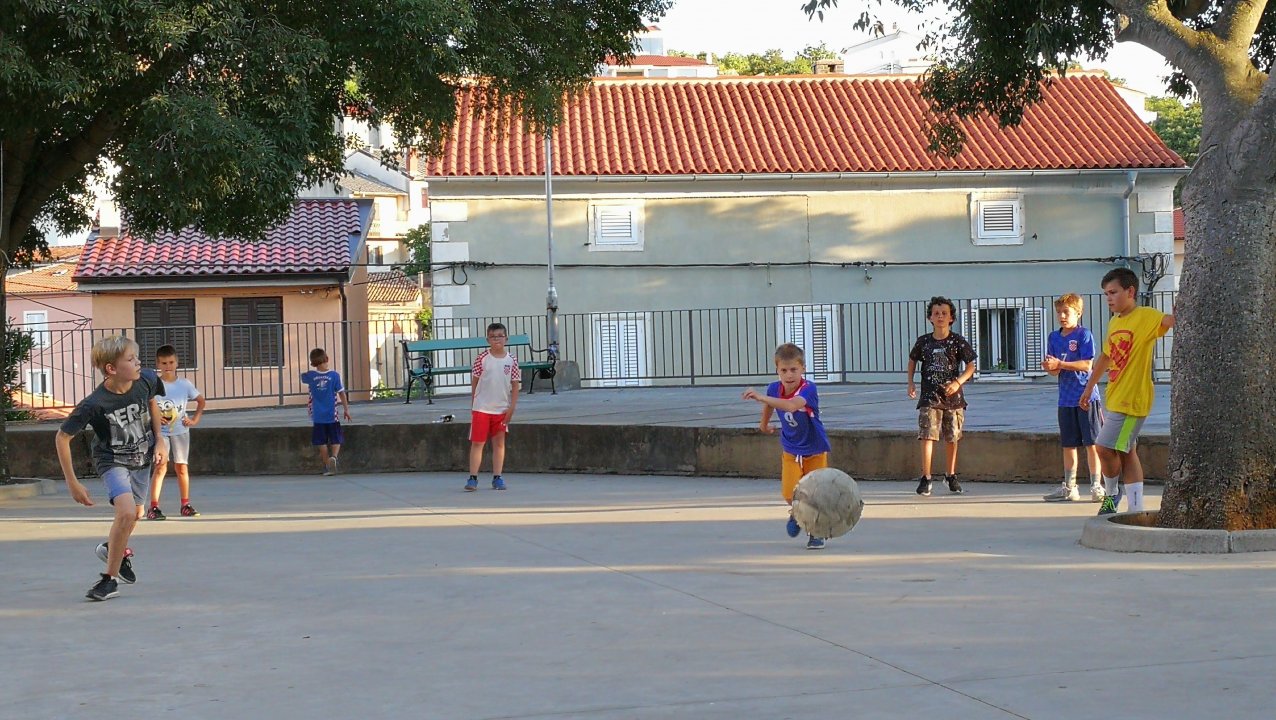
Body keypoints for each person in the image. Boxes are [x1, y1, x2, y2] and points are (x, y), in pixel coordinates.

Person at [54, 335, 167, 601]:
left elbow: (152, 402)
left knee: (134, 515)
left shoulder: (146, 380)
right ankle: (109, 580)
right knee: (126, 512)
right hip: (112, 460)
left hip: (142, 459)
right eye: (130, 359)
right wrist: (72, 482)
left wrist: (160, 439)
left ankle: (113, 548)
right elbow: (62, 437)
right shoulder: (94, 404)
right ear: (111, 368)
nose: (138, 362)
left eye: (137, 357)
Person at [1080, 268, 1174, 514]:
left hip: (1132, 400)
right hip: (1116, 396)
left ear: (1130, 291)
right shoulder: (1115, 321)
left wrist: (1182, 310)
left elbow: (1169, 321)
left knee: (1104, 447)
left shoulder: (1146, 316)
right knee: (1126, 450)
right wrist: (1089, 387)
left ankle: (1113, 494)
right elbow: (1106, 356)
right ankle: (1135, 508)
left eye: (1113, 292)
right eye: (1106, 294)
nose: (1109, 298)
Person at [742, 343, 832, 550]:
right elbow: (770, 406)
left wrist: (761, 397)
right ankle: (797, 511)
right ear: (777, 370)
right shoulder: (774, 389)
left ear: (803, 369)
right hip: (791, 448)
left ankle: (816, 532)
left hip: (814, 449)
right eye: (784, 370)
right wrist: (763, 425)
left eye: (794, 369)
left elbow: (791, 405)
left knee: (815, 493)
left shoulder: (809, 389)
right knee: (789, 493)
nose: (789, 375)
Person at [907, 296, 977, 496]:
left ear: (951, 318)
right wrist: (910, 382)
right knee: (927, 435)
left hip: (953, 398)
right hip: (930, 396)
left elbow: (971, 365)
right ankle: (926, 477)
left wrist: (958, 382)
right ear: (930, 317)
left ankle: (951, 474)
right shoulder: (924, 341)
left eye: (944, 313)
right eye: (936, 313)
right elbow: (912, 360)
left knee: (952, 437)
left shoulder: (957, 341)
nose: (940, 317)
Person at [1041, 294, 1105, 502]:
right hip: (1065, 399)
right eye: (1059, 312)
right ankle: (1070, 486)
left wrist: (1060, 364)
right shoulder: (1053, 337)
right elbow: (1054, 370)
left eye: (1066, 312)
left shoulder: (1084, 335)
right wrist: (1051, 367)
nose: (1062, 316)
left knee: (1092, 442)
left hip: (1086, 397)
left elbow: (1087, 364)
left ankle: (1096, 485)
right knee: (1068, 444)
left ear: (1078, 313)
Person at [146, 344, 206, 519]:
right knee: (160, 467)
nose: (168, 366)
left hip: (180, 431)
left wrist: (194, 420)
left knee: (182, 467)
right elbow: (146, 406)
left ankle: (185, 504)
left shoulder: (184, 384)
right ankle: (153, 507)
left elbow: (201, 401)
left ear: (177, 363)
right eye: (164, 363)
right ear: (158, 364)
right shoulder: (154, 384)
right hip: (161, 433)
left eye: (171, 362)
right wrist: (154, 417)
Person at [466, 323, 520, 491]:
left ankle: (497, 476)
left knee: (499, 443)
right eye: (493, 336)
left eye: (500, 336)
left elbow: (515, 384)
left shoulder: (511, 360)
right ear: (488, 339)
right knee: (478, 443)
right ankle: (473, 477)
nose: (497, 339)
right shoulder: (482, 358)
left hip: (501, 408)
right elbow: (475, 381)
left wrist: (511, 408)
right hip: (482, 408)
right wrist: (474, 403)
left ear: (506, 338)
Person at [300, 348, 351, 475]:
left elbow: (302, 377)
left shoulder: (310, 376)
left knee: (321, 441)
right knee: (336, 438)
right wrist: (346, 409)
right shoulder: (334, 376)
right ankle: (334, 457)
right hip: (332, 414)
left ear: (313, 363)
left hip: (317, 415)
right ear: (327, 359)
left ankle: (328, 465)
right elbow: (342, 393)